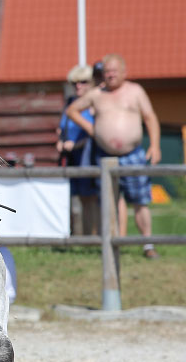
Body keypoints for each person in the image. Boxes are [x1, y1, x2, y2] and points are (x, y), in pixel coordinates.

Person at [66, 53, 161, 258]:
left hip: (133, 154)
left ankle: (148, 244)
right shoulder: (97, 94)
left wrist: (155, 146)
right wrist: (92, 129)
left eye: (114, 71)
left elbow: (150, 117)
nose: (110, 75)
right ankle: (112, 244)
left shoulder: (135, 91)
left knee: (140, 200)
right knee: (109, 201)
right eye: (107, 71)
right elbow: (72, 110)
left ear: (124, 72)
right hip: (105, 157)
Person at [56, 64, 98, 235]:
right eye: (75, 83)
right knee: (76, 199)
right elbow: (62, 128)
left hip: (88, 156)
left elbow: (95, 131)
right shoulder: (70, 103)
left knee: (90, 200)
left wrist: (77, 145)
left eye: (83, 82)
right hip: (71, 157)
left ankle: (91, 238)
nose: (78, 86)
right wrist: (60, 140)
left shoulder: (94, 104)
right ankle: (75, 237)